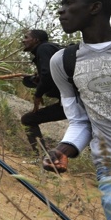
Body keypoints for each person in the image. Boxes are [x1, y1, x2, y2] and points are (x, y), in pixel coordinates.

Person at [45, 0, 111, 220]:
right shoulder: (64, 61)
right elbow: (81, 120)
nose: (61, 11)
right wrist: (63, 149)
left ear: (95, 8)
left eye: (69, 3)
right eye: (61, 5)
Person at [18, 28, 65, 157]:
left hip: (74, 103)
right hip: (70, 102)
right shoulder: (50, 49)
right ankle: (43, 157)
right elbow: (50, 75)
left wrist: (38, 94)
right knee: (28, 119)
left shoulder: (44, 48)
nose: (23, 40)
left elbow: (47, 75)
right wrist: (38, 80)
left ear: (36, 40)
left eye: (26, 37)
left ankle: (41, 157)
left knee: (28, 119)